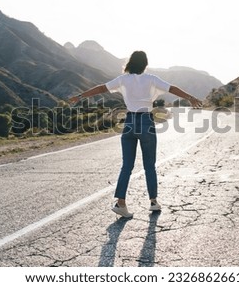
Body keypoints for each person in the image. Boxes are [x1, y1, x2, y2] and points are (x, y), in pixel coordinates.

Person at [69, 51, 202, 218]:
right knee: (149, 165)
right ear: (145, 64)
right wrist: (190, 98)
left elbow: (102, 88)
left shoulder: (123, 80)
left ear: (130, 63)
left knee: (126, 166)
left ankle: (121, 203)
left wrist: (80, 96)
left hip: (129, 123)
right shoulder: (151, 79)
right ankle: (153, 202)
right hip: (146, 122)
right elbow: (172, 88)